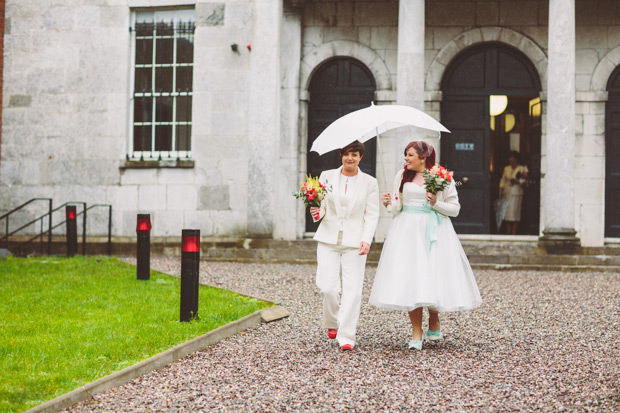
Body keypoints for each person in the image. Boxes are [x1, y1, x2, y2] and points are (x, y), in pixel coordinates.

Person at [369, 141, 481, 350]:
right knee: (412, 276)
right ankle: (416, 332)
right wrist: (388, 203)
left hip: (436, 230)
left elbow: (454, 209)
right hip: (407, 230)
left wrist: (435, 203)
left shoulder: (442, 177)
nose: (406, 159)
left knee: (434, 273)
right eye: (405, 154)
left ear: (423, 157)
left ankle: (435, 318)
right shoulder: (402, 176)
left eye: (410, 155)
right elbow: (397, 206)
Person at [310, 140, 380, 351]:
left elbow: (372, 214)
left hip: (355, 242)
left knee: (353, 291)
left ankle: (347, 335)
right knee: (328, 287)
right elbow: (321, 205)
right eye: (347, 153)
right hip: (328, 238)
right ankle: (332, 321)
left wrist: (366, 239)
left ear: (361, 157)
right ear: (341, 155)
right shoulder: (326, 176)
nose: (350, 158)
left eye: (355, 154)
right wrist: (317, 213)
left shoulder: (370, 182)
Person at [499, 151, 528, 235]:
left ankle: (514, 230)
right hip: (507, 192)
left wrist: (518, 181)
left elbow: (525, 180)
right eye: (510, 159)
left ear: (516, 159)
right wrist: (500, 188)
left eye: (512, 159)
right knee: (507, 211)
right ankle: (508, 229)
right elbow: (503, 179)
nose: (511, 161)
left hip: (516, 192)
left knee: (515, 211)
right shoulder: (506, 168)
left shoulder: (522, 168)